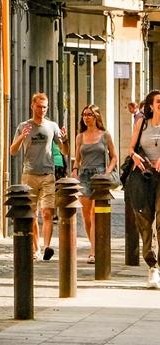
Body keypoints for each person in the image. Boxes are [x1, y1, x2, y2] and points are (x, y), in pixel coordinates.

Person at [10, 92, 68, 261]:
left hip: (48, 174)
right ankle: (35, 248)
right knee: (32, 214)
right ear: (32, 106)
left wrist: (65, 141)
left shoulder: (52, 126)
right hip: (29, 174)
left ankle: (46, 247)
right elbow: (13, 151)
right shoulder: (24, 126)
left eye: (44, 107)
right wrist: (22, 136)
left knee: (48, 212)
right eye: (39, 106)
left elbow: (65, 151)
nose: (42, 110)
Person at [71, 104, 117, 264]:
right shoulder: (80, 136)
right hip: (84, 176)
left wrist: (108, 172)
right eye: (84, 115)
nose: (86, 117)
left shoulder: (105, 135)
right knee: (86, 215)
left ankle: (93, 251)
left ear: (96, 116)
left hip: (99, 176)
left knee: (94, 214)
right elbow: (77, 158)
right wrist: (75, 169)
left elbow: (114, 156)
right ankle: (94, 243)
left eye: (89, 114)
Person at [127, 89, 160, 289]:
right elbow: (130, 148)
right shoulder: (142, 124)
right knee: (145, 220)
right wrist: (135, 156)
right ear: (150, 105)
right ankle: (152, 264)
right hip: (144, 176)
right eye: (158, 101)